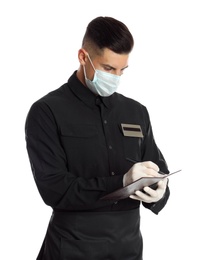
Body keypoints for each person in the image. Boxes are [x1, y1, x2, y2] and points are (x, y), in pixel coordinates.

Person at [25, 16, 170, 260]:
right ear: (83, 57)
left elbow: (155, 166)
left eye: (122, 70)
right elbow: (54, 189)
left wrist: (160, 190)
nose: (115, 77)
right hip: (72, 248)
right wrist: (122, 181)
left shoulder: (136, 112)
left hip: (128, 248)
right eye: (108, 69)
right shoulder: (47, 111)